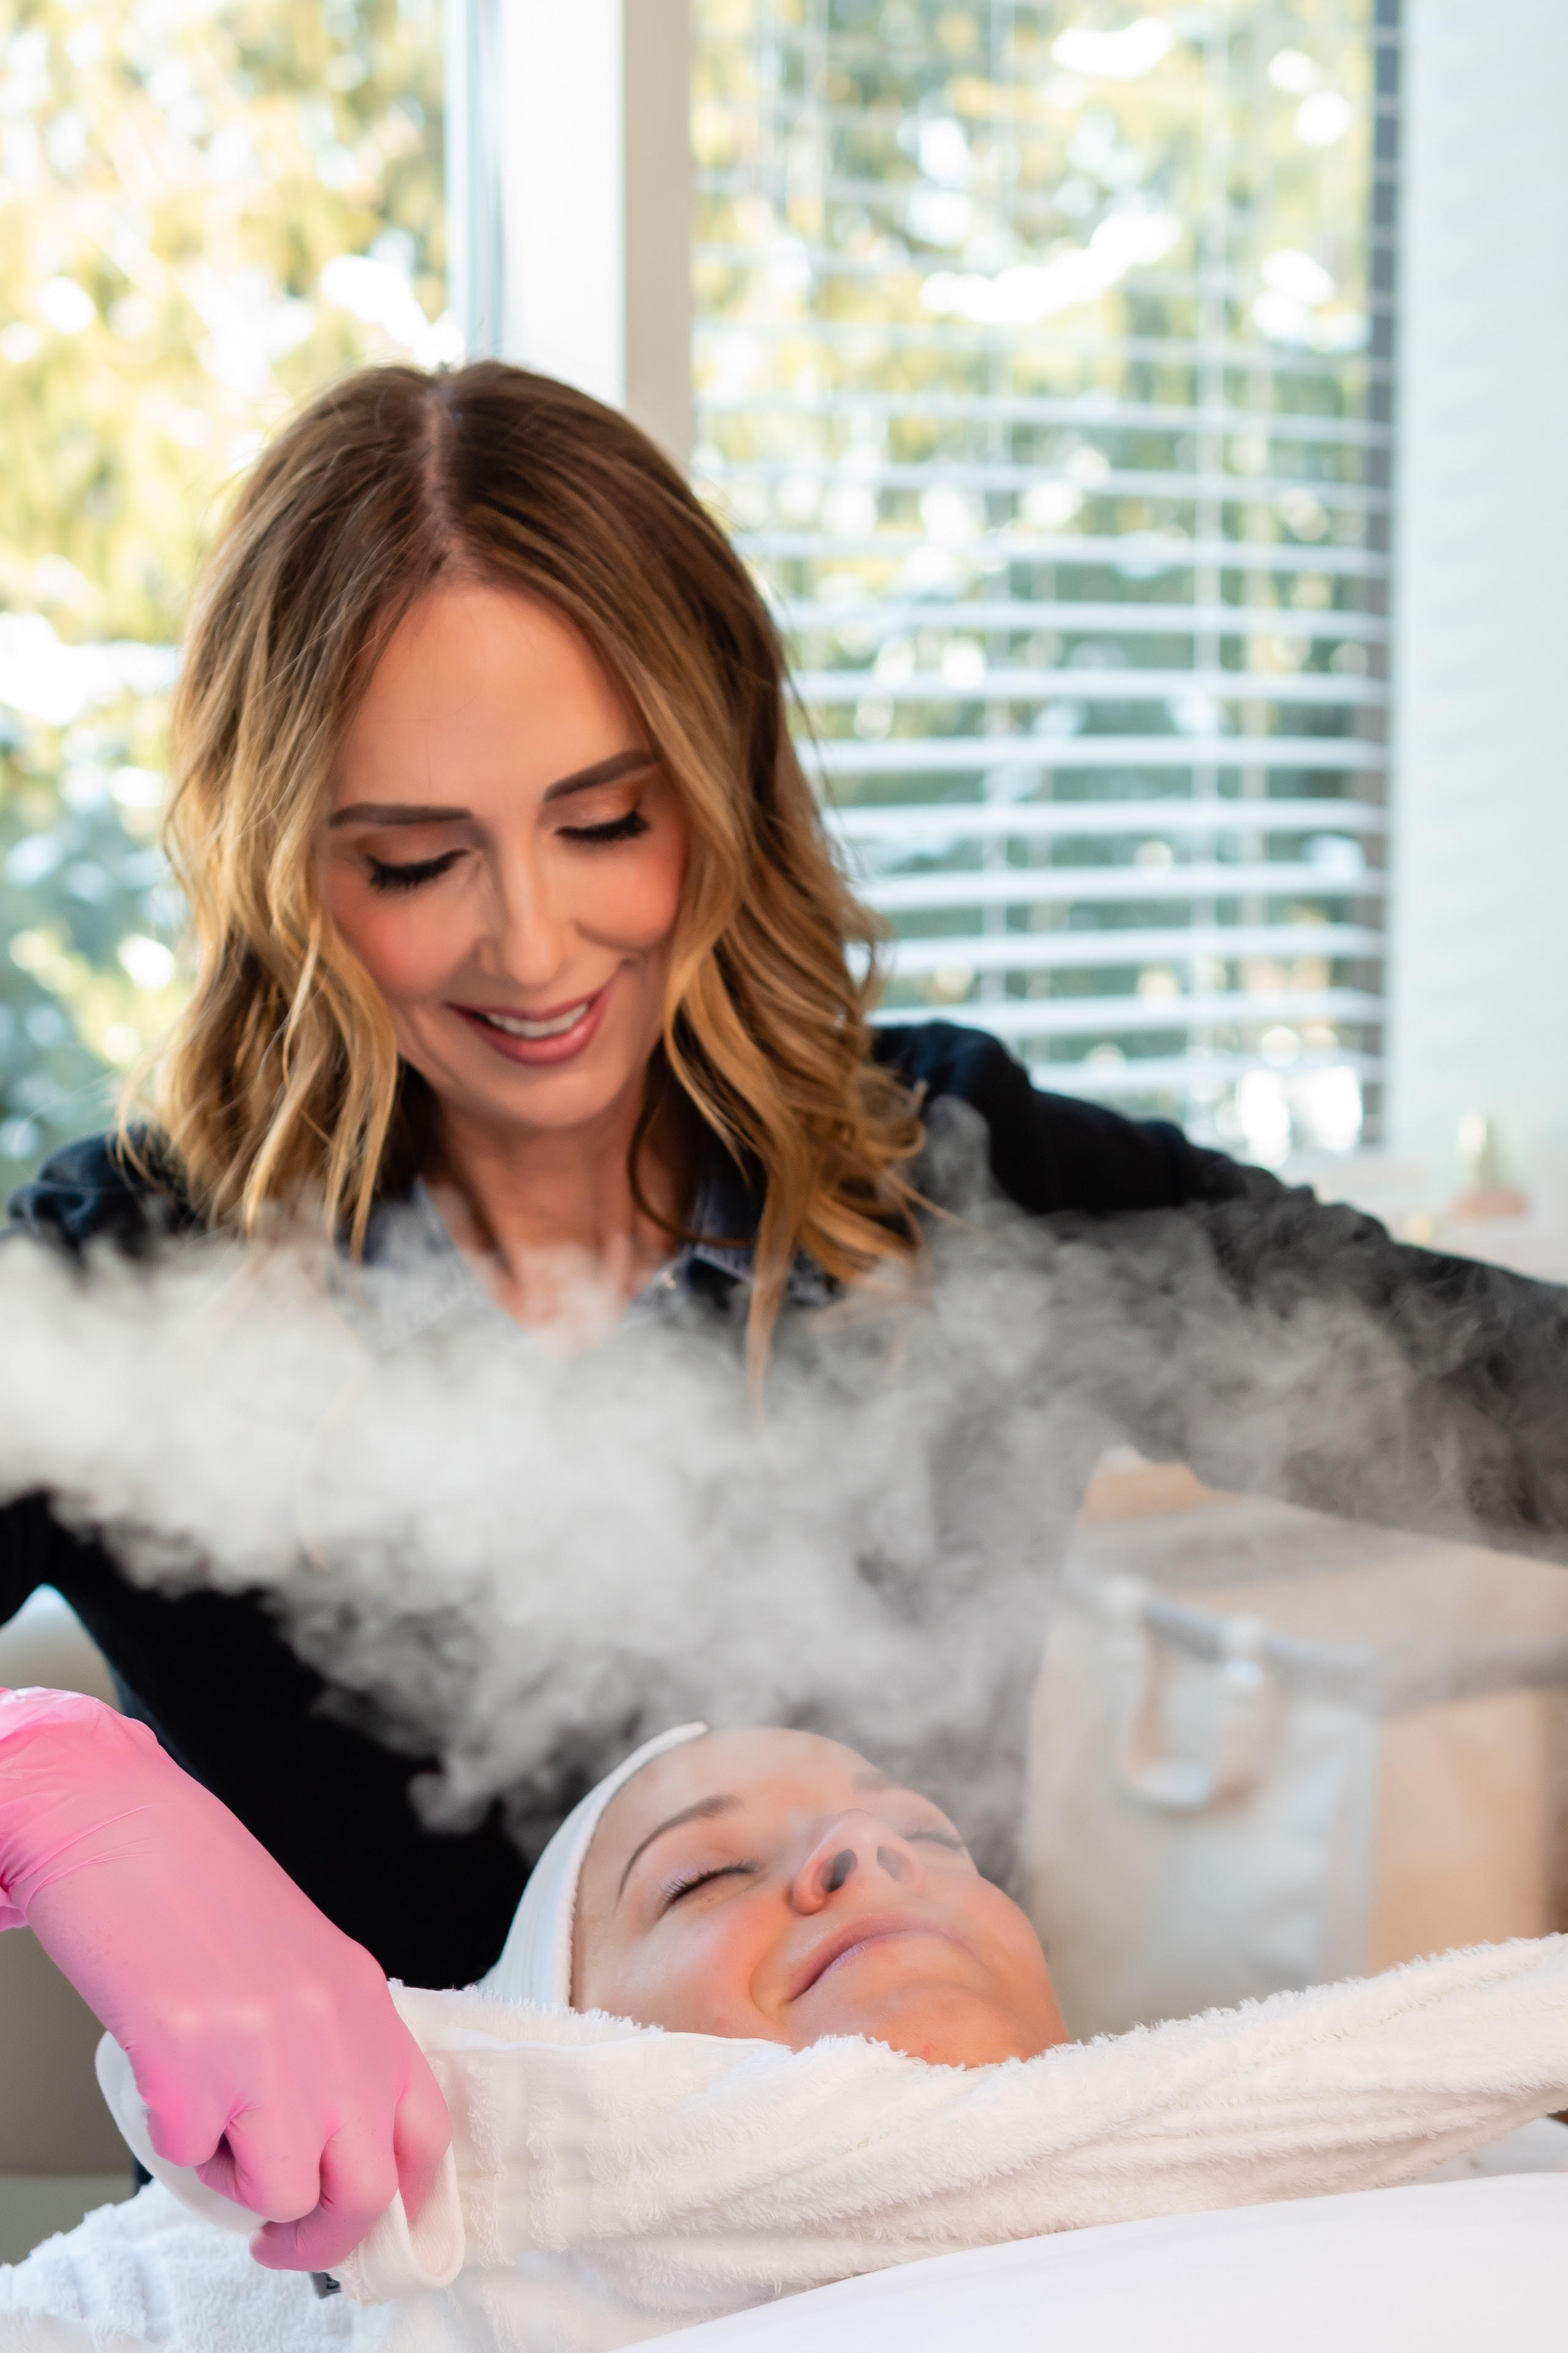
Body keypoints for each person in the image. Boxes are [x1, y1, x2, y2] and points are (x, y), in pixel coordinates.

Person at [6, 359, 1568, 2271]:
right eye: (412, 859)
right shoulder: (117, 1288)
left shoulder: (961, 1177)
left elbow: (1510, 1399)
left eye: (607, 821)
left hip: (939, 2264)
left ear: (726, 781)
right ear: (284, 862)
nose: (533, 942)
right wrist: (53, 1793)